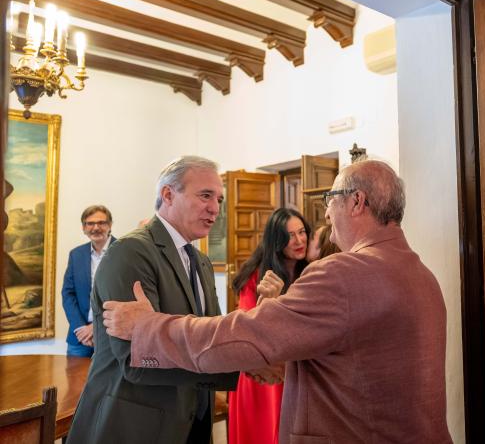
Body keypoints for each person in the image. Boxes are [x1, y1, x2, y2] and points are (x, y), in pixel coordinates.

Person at [103, 159, 452, 443]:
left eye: (330, 201)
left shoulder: (343, 273)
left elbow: (243, 334)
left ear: (357, 202)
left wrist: (148, 328)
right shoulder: (422, 276)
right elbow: (354, 361)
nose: (327, 216)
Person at [67, 156, 238, 444]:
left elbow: (211, 333)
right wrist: (235, 362)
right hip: (133, 424)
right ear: (168, 195)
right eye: (205, 195)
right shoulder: (131, 252)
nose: (215, 208)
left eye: (219, 199)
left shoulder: (202, 262)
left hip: (192, 418)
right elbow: (138, 358)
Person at [228, 207, 310, 444]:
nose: (298, 240)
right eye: (289, 236)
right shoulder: (257, 276)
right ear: (276, 241)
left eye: (302, 232)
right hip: (262, 371)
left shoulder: (311, 272)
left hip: (295, 368)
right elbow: (247, 327)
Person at [61, 205, 115, 357]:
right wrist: (80, 327)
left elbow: (124, 296)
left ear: (110, 225)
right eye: (90, 223)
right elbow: (68, 294)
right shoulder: (76, 254)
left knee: (108, 381)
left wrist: (95, 328)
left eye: (101, 223)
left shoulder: (123, 251)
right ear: (83, 227)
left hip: (111, 337)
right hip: (79, 338)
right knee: (73, 380)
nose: (95, 228)